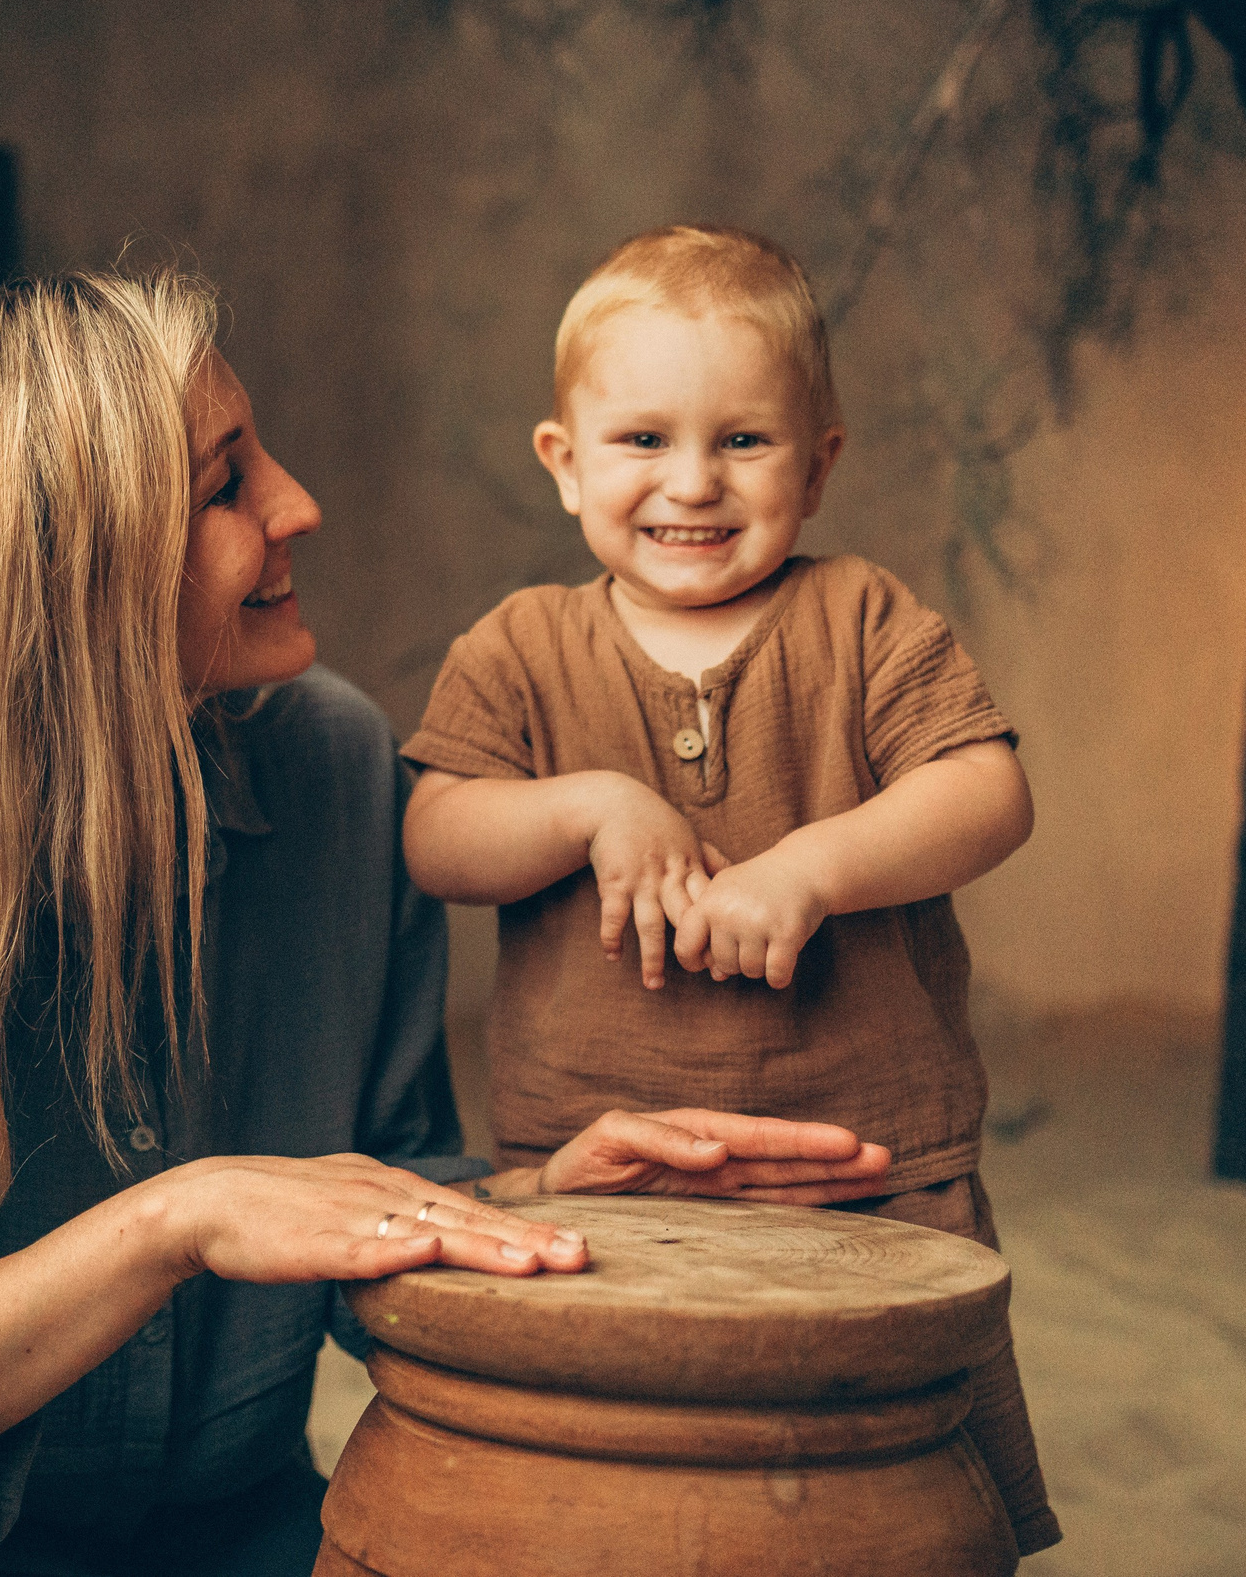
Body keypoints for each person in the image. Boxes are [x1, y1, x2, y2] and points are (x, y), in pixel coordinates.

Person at [0, 270, 893, 1577]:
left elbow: (364, 1183)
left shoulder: (341, 769)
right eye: (225, 483)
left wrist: (543, 1202)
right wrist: (170, 1221)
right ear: (59, 572)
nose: (297, 506)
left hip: (192, 1529)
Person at [399, 224, 1060, 1556]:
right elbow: (437, 841)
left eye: (744, 441)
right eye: (643, 439)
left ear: (819, 463)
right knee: (621, 1504)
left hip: (876, 1171)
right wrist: (592, 805)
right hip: (601, 1174)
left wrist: (815, 868)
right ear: (565, 460)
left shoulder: (863, 618)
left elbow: (987, 790)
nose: (692, 482)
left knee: (920, 1513)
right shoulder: (520, 648)